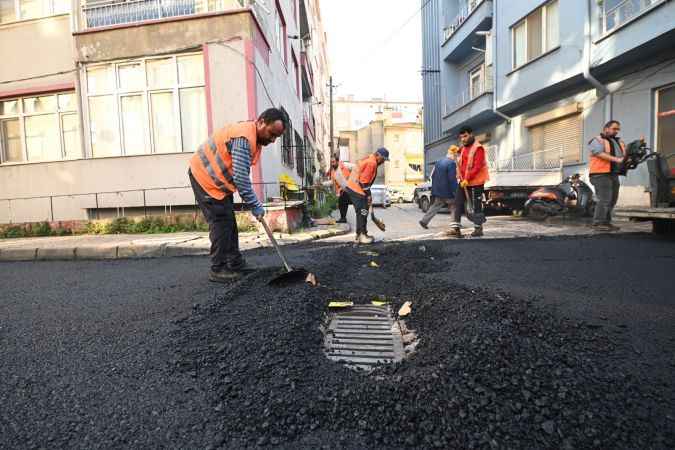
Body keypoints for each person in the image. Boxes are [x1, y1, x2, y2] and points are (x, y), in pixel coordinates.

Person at [188, 108, 287, 283]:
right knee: (221, 222)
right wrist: (255, 204)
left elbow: (239, 174)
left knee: (229, 222)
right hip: (204, 177)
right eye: (272, 134)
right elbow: (241, 178)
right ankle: (218, 268)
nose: (272, 140)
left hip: (218, 183)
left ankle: (234, 263)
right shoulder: (243, 138)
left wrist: (252, 202)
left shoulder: (253, 138)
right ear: (261, 121)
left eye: (276, 137)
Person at [449, 126, 489, 238]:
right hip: (463, 182)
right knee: (456, 203)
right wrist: (454, 150)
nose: (463, 139)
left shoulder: (478, 148)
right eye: (461, 137)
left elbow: (477, 166)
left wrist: (468, 178)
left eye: (465, 136)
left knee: (476, 206)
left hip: (476, 182)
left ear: (472, 134)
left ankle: (478, 229)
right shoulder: (464, 148)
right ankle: (455, 229)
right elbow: (458, 152)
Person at [344, 148, 389, 244]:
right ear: (378, 156)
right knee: (363, 212)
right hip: (357, 189)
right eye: (383, 159)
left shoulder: (369, 158)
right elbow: (363, 182)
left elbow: (364, 182)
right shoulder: (372, 163)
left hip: (353, 187)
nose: (383, 162)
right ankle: (362, 235)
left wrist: (368, 194)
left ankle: (360, 234)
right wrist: (368, 195)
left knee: (362, 211)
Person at [588, 120, 626, 232]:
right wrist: (617, 159)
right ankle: (598, 223)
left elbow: (624, 156)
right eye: (614, 129)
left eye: (618, 129)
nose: (616, 131)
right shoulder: (597, 140)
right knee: (604, 199)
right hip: (600, 174)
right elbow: (598, 153)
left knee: (612, 200)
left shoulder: (618, 142)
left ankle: (606, 222)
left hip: (613, 174)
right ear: (606, 128)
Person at [419, 145, 459, 230]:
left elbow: (433, 176)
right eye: (457, 155)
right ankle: (454, 225)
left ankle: (424, 221)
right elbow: (452, 179)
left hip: (438, 191)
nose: (457, 157)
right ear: (454, 154)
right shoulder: (451, 163)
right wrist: (455, 191)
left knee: (435, 206)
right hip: (447, 192)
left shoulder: (439, 162)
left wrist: (435, 189)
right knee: (454, 206)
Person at [328, 155, 353, 223]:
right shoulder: (333, 171)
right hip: (343, 190)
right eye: (331, 162)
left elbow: (356, 167)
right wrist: (322, 184)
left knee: (354, 203)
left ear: (337, 161)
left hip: (351, 188)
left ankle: (344, 218)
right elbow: (332, 182)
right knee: (342, 202)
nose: (332, 164)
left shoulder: (344, 166)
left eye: (333, 162)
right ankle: (343, 218)